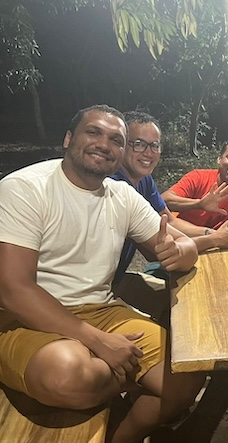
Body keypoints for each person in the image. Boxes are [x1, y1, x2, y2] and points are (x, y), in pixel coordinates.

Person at [0, 105, 205, 443]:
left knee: (186, 374)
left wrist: (180, 252)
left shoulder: (122, 195)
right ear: (69, 138)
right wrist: (98, 342)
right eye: (93, 132)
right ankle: (115, 380)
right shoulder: (25, 188)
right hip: (24, 318)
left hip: (103, 311)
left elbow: (182, 245)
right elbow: (14, 290)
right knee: (67, 375)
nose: (104, 144)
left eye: (116, 140)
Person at [109, 111, 228, 323]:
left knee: (191, 301)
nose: (148, 152)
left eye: (155, 145)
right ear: (122, 145)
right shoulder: (115, 186)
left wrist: (211, 233)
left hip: (116, 278)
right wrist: (214, 238)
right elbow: (156, 251)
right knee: (184, 314)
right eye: (139, 144)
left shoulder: (144, 180)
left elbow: (169, 220)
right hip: (99, 290)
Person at [162, 137, 228, 229]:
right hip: (183, 236)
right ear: (219, 159)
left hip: (224, 241)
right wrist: (199, 204)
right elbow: (163, 200)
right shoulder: (198, 177)